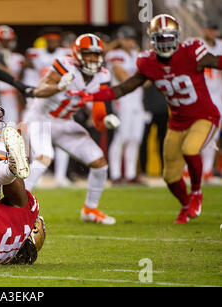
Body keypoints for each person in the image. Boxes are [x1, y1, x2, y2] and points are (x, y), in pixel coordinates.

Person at [72, 14, 222, 224]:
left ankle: (196, 192)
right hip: (177, 122)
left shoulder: (191, 51)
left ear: (177, 38)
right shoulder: (148, 62)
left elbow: (217, 62)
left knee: (190, 149)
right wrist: (92, 95)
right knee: (169, 176)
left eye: (169, 38)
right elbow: (124, 87)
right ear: (153, 41)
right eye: (160, 38)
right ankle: (185, 204)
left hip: (204, 116)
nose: (165, 43)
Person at [26, 33, 120, 225]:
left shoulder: (102, 75)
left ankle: (90, 209)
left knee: (100, 163)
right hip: (39, 118)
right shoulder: (64, 65)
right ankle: (16, 207)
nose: (93, 59)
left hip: (64, 121)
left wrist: (107, 119)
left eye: (96, 55)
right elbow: (38, 91)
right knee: (44, 157)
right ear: (77, 54)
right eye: (88, 54)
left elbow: (100, 112)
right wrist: (59, 86)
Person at [21, 27, 73, 188]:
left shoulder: (66, 55)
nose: (51, 42)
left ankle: (60, 176)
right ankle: (36, 174)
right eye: (48, 39)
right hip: (39, 102)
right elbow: (26, 73)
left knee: (62, 140)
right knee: (32, 140)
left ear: (59, 41)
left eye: (54, 39)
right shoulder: (34, 54)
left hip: (58, 103)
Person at [105, 26, 146, 184]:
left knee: (135, 138)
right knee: (121, 136)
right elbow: (123, 78)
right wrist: (140, 78)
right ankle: (115, 175)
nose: (129, 42)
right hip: (122, 99)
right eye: (126, 39)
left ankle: (130, 174)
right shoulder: (115, 55)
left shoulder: (137, 54)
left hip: (137, 100)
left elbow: (148, 80)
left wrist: (138, 78)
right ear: (120, 39)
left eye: (131, 39)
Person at [200, 19, 222, 182]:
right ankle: (188, 169)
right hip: (200, 95)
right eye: (209, 29)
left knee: (213, 135)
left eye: (214, 29)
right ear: (204, 29)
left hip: (217, 95)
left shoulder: (220, 45)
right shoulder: (196, 45)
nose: (211, 32)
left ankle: (207, 169)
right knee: (196, 133)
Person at [0, 25, 25, 125]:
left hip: (12, 96)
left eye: (7, 41)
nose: (5, 44)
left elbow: (21, 79)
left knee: (12, 126)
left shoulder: (19, 58)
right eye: (2, 41)